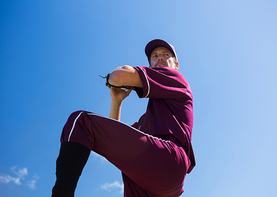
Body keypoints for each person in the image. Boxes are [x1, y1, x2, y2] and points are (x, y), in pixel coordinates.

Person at [51, 39, 195, 197]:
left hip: (168, 160)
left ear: (176, 65)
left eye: (165, 55)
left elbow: (119, 76)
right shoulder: (145, 122)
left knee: (80, 121)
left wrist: (114, 78)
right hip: (158, 183)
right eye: (154, 56)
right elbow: (113, 141)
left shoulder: (177, 80)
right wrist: (117, 101)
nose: (159, 57)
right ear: (150, 64)